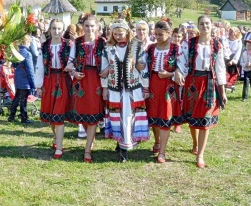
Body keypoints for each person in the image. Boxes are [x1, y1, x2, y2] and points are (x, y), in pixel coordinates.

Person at [176, 15, 228, 168]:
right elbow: (182, 60)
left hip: (209, 83)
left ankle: (200, 155)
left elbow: (220, 67)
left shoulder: (217, 45)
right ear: (198, 26)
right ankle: (195, 143)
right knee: (193, 117)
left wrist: (222, 91)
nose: (205, 26)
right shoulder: (190, 43)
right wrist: (179, 71)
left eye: (207, 24)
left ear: (212, 26)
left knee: (205, 118)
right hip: (192, 81)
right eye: (202, 24)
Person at [101, 19, 149, 162]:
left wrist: (145, 86)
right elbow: (104, 69)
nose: (118, 36)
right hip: (115, 88)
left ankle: (124, 148)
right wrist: (104, 88)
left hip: (132, 89)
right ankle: (119, 141)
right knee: (117, 116)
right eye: (115, 34)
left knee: (128, 117)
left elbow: (143, 67)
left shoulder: (136, 46)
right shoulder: (108, 48)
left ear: (127, 32)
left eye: (120, 34)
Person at [65, 14, 106, 163]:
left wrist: (106, 72)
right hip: (80, 79)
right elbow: (70, 62)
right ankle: (90, 137)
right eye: (87, 26)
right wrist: (74, 72)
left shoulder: (102, 42)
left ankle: (87, 149)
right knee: (81, 111)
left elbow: (108, 62)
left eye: (92, 26)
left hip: (96, 78)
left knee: (93, 111)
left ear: (97, 27)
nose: (90, 29)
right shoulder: (77, 42)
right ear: (83, 26)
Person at [146, 20, 183, 163]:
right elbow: (144, 66)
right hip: (153, 83)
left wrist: (169, 74)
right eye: (155, 34)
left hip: (168, 85)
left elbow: (182, 68)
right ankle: (156, 141)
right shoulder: (151, 48)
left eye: (160, 34)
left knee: (165, 115)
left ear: (169, 33)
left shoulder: (176, 48)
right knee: (154, 114)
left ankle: (162, 151)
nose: (157, 37)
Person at [35, 19, 71, 159]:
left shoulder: (68, 45)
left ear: (63, 30)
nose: (56, 31)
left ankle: (59, 148)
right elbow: (40, 67)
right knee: (50, 115)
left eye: (59, 29)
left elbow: (73, 63)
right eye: (54, 28)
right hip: (49, 81)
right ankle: (56, 137)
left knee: (59, 114)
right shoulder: (44, 46)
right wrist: (39, 86)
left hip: (63, 80)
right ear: (50, 30)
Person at [8, 35, 35, 124]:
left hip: (18, 77)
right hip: (25, 78)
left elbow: (14, 64)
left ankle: (11, 116)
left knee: (17, 97)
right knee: (23, 99)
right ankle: (24, 117)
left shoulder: (16, 52)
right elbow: (30, 69)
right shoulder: (27, 54)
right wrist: (33, 83)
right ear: (27, 42)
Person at [225, 27, 243, 92]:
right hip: (226, 57)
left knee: (232, 72)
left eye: (231, 32)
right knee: (225, 72)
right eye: (229, 32)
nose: (229, 33)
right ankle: (225, 85)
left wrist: (233, 61)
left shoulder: (238, 41)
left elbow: (238, 52)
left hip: (233, 59)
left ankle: (231, 86)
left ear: (235, 33)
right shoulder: (225, 40)